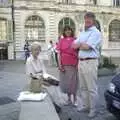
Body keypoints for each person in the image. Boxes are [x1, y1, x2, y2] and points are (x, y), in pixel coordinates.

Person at [72, 12, 102, 118]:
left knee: (91, 88)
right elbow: (73, 45)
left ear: (93, 20)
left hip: (90, 62)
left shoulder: (96, 32)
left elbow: (87, 47)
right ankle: (86, 106)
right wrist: (81, 44)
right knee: (83, 87)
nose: (87, 21)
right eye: (86, 19)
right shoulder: (83, 32)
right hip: (81, 62)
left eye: (89, 19)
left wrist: (80, 44)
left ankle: (93, 109)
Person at [57, 26, 78, 105]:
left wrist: (78, 64)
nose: (68, 31)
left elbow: (78, 52)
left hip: (73, 64)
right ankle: (69, 99)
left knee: (74, 82)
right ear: (64, 32)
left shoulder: (75, 40)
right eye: (66, 30)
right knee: (67, 82)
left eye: (69, 30)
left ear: (71, 31)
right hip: (64, 64)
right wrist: (59, 64)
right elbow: (59, 53)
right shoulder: (61, 40)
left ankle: (75, 99)